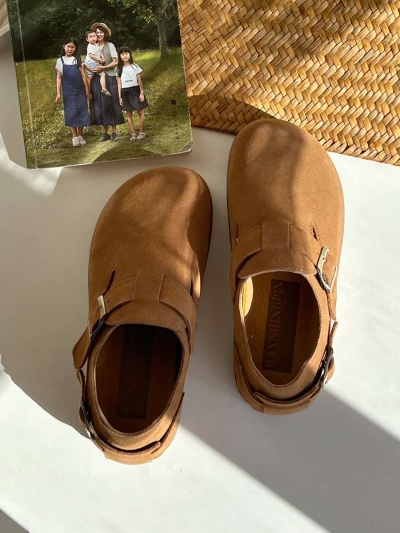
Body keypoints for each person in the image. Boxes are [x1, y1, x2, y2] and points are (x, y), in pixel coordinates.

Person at [86, 23, 124, 142]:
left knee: (111, 103)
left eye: (101, 32)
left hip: (109, 77)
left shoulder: (110, 45)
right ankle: (106, 133)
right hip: (96, 79)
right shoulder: (91, 46)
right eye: (97, 32)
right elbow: (87, 60)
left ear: (105, 33)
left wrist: (104, 67)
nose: (99, 34)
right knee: (99, 104)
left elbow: (116, 62)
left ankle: (114, 132)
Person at [55, 37, 90, 147]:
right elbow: (59, 78)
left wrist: (87, 90)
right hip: (68, 91)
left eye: (72, 47)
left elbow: (83, 76)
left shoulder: (77, 60)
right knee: (71, 111)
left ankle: (80, 135)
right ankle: (74, 136)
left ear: (75, 48)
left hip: (80, 90)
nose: (70, 49)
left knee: (81, 110)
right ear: (64, 47)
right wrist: (58, 93)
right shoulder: (60, 61)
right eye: (68, 47)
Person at [117, 46, 149, 141]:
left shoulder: (135, 66)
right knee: (129, 113)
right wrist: (120, 97)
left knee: (140, 111)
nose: (125, 56)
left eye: (126, 53)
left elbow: (139, 81)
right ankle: (133, 134)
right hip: (125, 92)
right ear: (120, 56)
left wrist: (141, 93)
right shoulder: (119, 69)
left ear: (130, 54)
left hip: (135, 91)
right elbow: (119, 84)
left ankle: (141, 132)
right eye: (122, 54)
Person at [84, 30, 111, 97]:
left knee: (90, 77)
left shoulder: (95, 44)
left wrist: (103, 57)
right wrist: (99, 60)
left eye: (94, 36)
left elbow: (100, 51)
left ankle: (88, 91)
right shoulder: (90, 46)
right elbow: (91, 55)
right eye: (91, 37)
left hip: (93, 63)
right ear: (87, 39)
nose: (93, 38)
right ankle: (103, 89)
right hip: (92, 63)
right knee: (102, 74)